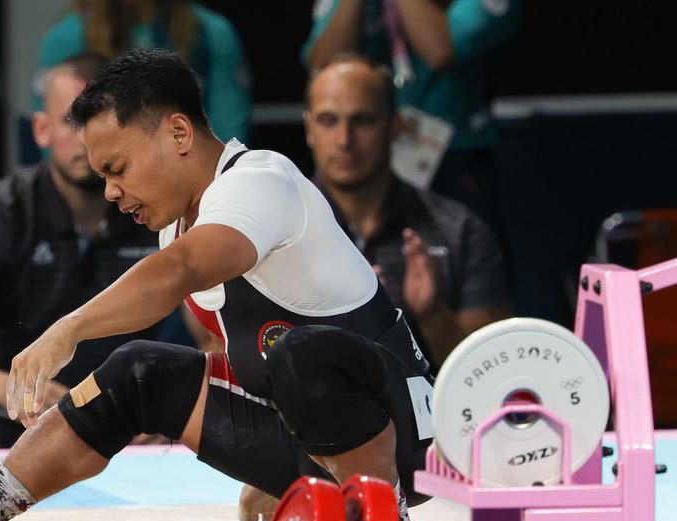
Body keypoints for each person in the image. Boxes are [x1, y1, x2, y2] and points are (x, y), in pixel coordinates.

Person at [0, 49, 438, 521]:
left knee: (302, 353)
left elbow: (179, 271)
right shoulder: (177, 225)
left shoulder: (262, 182)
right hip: (317, 435)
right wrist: (271, 464)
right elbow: (240, 354)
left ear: (179, 133)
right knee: (140, 372)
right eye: (102, 175)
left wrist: (67, 331)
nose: (111, 191)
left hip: (405, 434)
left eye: (117, 169)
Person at [0, 54, 162, 450]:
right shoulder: (1, 211)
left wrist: (173, 403)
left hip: (130, 421)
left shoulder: (159, 209)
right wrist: (21, 391)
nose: (86, 139)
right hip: (11, 418)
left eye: (101, 122)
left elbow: (215, 333)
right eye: (73, 121)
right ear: (41, 130)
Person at [304, 54, 511, 369]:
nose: (344, 140)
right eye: (328, 121)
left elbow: (492, 373)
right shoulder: (270, 233)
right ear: (309, 128)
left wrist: (432, 314)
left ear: (396, 125)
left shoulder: (460, 231)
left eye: (363, 120)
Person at [302, 0, 520, 230]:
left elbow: (440, 51)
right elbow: (324, 68)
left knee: (461, 241)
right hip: (367, 161)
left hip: (454, 156)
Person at [34, 0, 250, 145]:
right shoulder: (67, 39)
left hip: (186, 181)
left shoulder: (210, 35)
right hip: (102, 183)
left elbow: (228, 140)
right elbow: (59, 148)